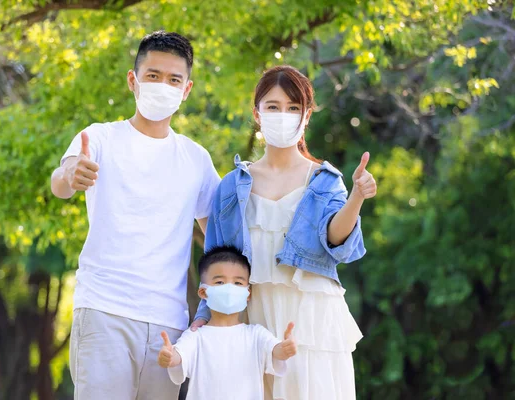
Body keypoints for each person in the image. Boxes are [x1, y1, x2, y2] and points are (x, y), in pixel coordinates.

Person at [50, 31, 221, 400]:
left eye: (174, 79)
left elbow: (219, 238)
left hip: (169, 325)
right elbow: (60, 182)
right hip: (104, 312)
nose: (163, 86)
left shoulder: (196, 159)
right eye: (153, 75)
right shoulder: (99, 138)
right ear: (133, 80)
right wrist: (70, 173)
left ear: (187, 89)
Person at [192, 65, 377, 400]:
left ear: (306, 117)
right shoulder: (232, 186)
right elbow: (216, 257)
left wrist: (356, 198)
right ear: (257, 114)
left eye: (293, 108)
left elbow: (336, 241)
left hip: (312, 317)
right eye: (273, 107)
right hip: (252, 317)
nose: (283, 115)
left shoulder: (324, 180)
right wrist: (205, 317)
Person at [158, 246, 297, 400]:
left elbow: (275, 352)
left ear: (248, 294)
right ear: (204, 292)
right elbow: (179, 356)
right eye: (220, 282)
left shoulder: (256, 334)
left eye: (238, 283)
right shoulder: (195, 336)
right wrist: (169, 357)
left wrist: (285, 349)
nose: (229, 288)